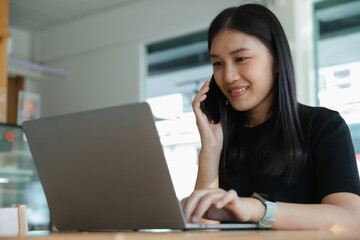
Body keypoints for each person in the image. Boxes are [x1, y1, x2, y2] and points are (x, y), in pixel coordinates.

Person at [182, 3, 360, 231]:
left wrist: (258, 209)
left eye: (241, 59)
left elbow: (351, 219)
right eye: (217, 63)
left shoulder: (324, 126)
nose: (228, 76)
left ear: (276, 61)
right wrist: (211, 149)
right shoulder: (223, 138)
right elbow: (204, 230)